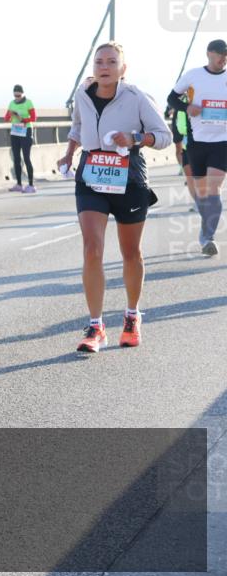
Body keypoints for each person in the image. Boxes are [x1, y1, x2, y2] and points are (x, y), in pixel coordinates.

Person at [57, 42, 171, 353]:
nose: (104, 67)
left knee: (130, 253)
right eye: (98, 62)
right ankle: (95, 327)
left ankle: (132, 317)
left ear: (123, 68)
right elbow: (78, 126)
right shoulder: (82, 93)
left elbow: (164, 136)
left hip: (128, 178)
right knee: (92, 249)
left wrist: (134, 138)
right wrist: (69, 154)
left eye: (111, 61)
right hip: (91, 175)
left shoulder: (136, 98)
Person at [167, 39, 227, 257]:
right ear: (209, 53)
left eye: (226, 54)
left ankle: (208, 237)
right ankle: (205, 230)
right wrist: (187, 107)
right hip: (197, 141)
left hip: (222, 142)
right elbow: (171, 98)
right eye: (220, 53)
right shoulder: (193, 75)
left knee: (214, 189)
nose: (223, 58)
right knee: (202, 195)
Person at [5, 84, 37, 192]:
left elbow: (33, 118)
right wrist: (11, 116)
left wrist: (22, 119)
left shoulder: (28, 102)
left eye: (19, 95)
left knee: (26, 158)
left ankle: (31, 185)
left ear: (23, 94)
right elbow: (6, 118)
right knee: (16, 159)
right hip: (15, 132)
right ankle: (19, 184)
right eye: (15, 96)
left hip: (26, 131)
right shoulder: (11, 103)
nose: (17, 97)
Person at [168, 101, 199, 207]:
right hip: (187, 143)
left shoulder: (207, 99)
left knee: (201, 176)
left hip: (205, 143)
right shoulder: (180, 102)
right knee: (190, 176)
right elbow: (178, 126)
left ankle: (204, 201)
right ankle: (198, 202)